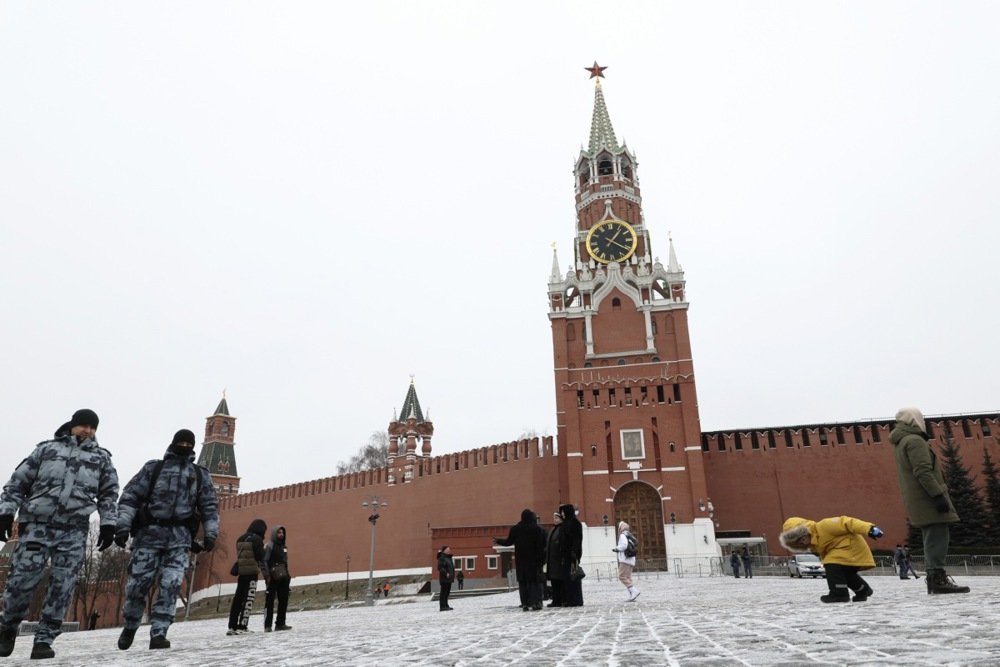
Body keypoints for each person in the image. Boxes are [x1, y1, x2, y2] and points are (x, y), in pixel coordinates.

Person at [0, 409, 119, 660]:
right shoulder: (45, 450)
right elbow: (17, 484)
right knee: (20, 582)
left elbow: (109, 493)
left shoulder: (101, 459)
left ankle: (44, 639)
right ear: (72, 426)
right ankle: (7, 627)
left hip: (73, 530)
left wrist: (109, 523)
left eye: (92, 427)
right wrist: (5, 513)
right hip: (37, 526)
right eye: (83, 425)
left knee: (63, 586)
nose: (87, 431)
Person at [115, 429, 220, 651]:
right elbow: (130, 497)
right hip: (148, 537)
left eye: (188, 443)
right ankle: (131, 624)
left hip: (179, 540)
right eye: (180, 442)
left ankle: (159, 632)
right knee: (137, 586)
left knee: (171, 585)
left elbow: (210, 506)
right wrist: (122, 526)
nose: (184, 446)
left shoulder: (199, 474)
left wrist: (211, 533)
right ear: (173, 443)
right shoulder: (154, 469)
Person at [891, 407, 969, 594]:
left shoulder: (901, 442)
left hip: (918, 498)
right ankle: (937, 579)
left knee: (932, 536)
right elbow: (923, 472)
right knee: (938, 536)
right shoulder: (915, 440)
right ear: (915, 420)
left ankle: (935, 579)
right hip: (928, 498)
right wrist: (938, 495)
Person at [780, 515, 883, 603]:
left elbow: (848, 522)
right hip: (844, 552)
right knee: (845, 573)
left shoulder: (824, 526)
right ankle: (863, 590)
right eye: (798, 542)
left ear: (807, 531)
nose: (802, 542)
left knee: (831, 565)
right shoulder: (814, 544)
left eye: (802, 537)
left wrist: (869, 529)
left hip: (851, 547)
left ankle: (839, 594)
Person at [495, 509, 547, 611]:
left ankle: (525, 604)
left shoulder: (516, 529)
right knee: (534, 582)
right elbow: (542, 546)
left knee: (523, 583)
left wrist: (499, 541)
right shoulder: (537, 529)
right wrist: (542, 560)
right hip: (534, 561)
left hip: (521, 562)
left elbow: (508, 542)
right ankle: (536, 602)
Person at [228, 519, 268, 634]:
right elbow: (261, 557)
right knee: (248, 600)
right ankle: (242, 626)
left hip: (242, 573)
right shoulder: (257, 540)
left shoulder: (240, 538)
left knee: (237, 600)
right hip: (251, 573)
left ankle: (232, 626)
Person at [263, 525, 292, 632]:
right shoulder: (269, 545)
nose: (281, 534)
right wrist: (267, 576)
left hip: (283, 578)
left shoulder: (284, 547)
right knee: (269, 602)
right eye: (279, 532)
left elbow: (285, 562)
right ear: (275, 533)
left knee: (283, 601)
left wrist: (288, 576)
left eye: (282, 533)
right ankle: (267, 626)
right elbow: (264, 561)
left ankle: (280, 623)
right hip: (272, 578)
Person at [557, 504, 584, 607]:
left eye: (563, 512)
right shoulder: (564, 524)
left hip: (572, 555)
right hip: (564, 555)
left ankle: (576, 599)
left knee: (574, 578)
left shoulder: (575, 523)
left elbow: (577, 539)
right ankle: (568, 599)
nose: (562, 514)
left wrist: (574, 552)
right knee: (567, 579)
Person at [612, 521, 640, 601]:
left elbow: (624, 545)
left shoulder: (622, 535)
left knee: (621, 576)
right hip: (631, 559)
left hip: (625, 559)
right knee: (628, 577)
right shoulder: (629, 535)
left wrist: (617, 548)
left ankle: (634, 590)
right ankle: (631, 595)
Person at [545, 511, 565, 607]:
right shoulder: (552, 530)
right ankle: (555, 600)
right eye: (554, 518)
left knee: (559, 582)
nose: (555, 520)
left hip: (558, 560)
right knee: (554, 582)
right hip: (551, 561)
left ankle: (561, 600)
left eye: (556, 518)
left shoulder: (562, 530)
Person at [437, 546, 455, 611]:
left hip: (449, 578)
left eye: (449, 549)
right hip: (444, 578)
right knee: (443, 592)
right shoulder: (442, 558)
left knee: (447, 592)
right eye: (447, 549)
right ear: (444, 550)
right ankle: (442, 606)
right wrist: (446, 573)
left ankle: (446, 605)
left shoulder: (448, 558)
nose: (449, 550)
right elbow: (440, 568)